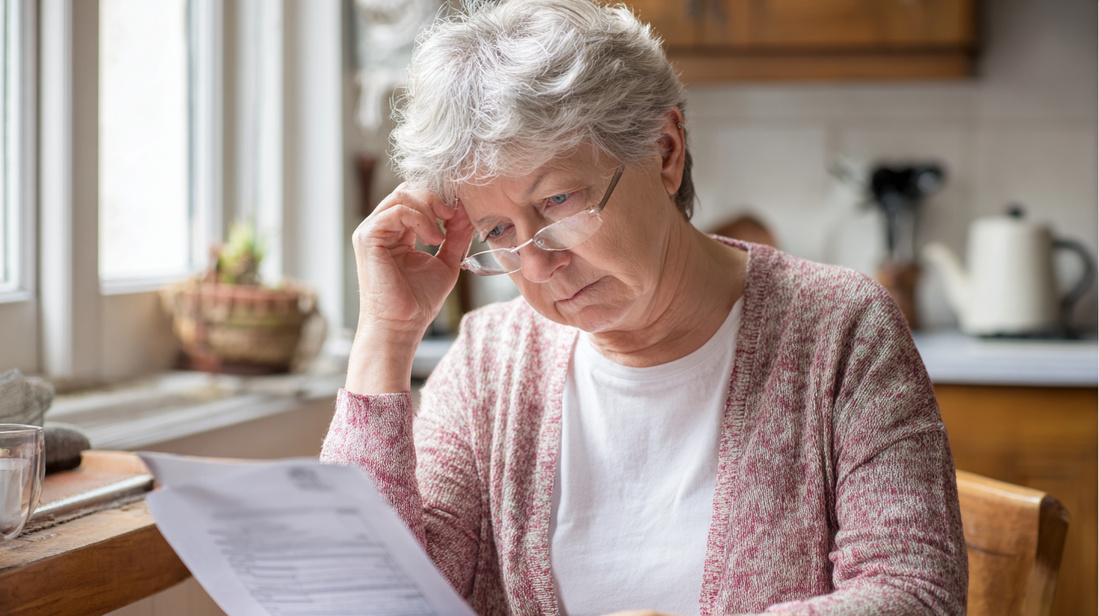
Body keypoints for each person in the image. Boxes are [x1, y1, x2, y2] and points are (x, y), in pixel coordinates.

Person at [321, 0, 968, 614]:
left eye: (557, 202)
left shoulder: (842, 330)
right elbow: (363, 599)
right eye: (497, 231)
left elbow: (916, 594)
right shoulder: (487, 363)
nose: (537, 265)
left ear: (664, 152)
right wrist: (387, 334)